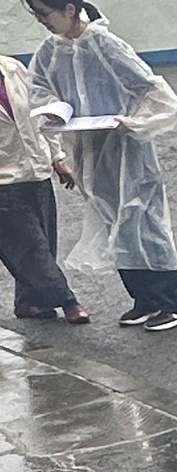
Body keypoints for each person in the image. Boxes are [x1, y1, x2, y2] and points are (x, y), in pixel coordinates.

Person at [25, 1, 177, 331]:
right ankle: (144, 299)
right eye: (38, 16)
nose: (43, 21)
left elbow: (154, 91)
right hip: (89, 151)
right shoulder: (49, 51)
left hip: (126, 150)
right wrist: (54, 110)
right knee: (117, 227)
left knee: (145, 224)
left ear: (70, 9)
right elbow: (39, 89)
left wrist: (136, 121)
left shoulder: (106, 45)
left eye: (46, 13)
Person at [0, 49, 85, 324]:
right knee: (30, 248)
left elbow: (39, 117)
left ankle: (28, 301)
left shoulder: (13, 69)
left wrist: (57, 158)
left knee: (44, 242)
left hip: (37, 170)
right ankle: (68, 301)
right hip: (3, 180)